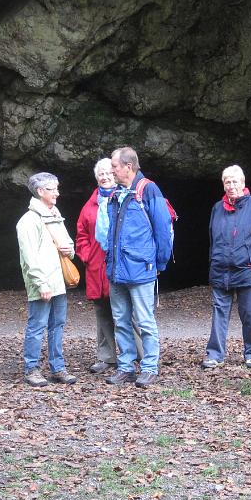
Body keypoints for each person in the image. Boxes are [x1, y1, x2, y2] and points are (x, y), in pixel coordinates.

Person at [104, 146, 173, 388]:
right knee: (120, 320)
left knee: (145, 321)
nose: (111, 170)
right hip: (117, 270)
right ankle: (125, 368)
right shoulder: (116, 193)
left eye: (114, 166)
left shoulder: (148, 190)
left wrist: (160, 263)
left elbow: (163, 230)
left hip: (140, 268)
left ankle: (150, 367)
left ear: (128, 167)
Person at [202, 165, 251, 370]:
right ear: (223, 185)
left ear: (243, 184)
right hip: (220, 270)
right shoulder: (217, 208)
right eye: (227, 182)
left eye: (235, 182)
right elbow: (213, 239)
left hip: (248, 270)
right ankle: (215, 354)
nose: (231, 186)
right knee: (218, 313)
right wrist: (212, 264)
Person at [75, 158, 143, 375]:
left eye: (108, 173)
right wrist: (88, 257)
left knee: (129, 311)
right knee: (102, 312)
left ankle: (141, 355)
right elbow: (81, 236)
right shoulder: (89, 205)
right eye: (100, 174)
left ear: (116, 174)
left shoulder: (128, 197)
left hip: (123, 265)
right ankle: (107, 357)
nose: (105, 177)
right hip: (97, 267)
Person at [16, 172, 78, 387]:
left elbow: (69, 247)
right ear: (40, 192)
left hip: (58, 281)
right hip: (43, 283)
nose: (57, 193)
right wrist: (41, 284)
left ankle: (57, 368)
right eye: (53, 189)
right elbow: (30, 257)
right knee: (37, 325)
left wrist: (68, 250)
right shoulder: (28, 221)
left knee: (57, 325)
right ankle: (31, 369)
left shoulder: (55, 215)